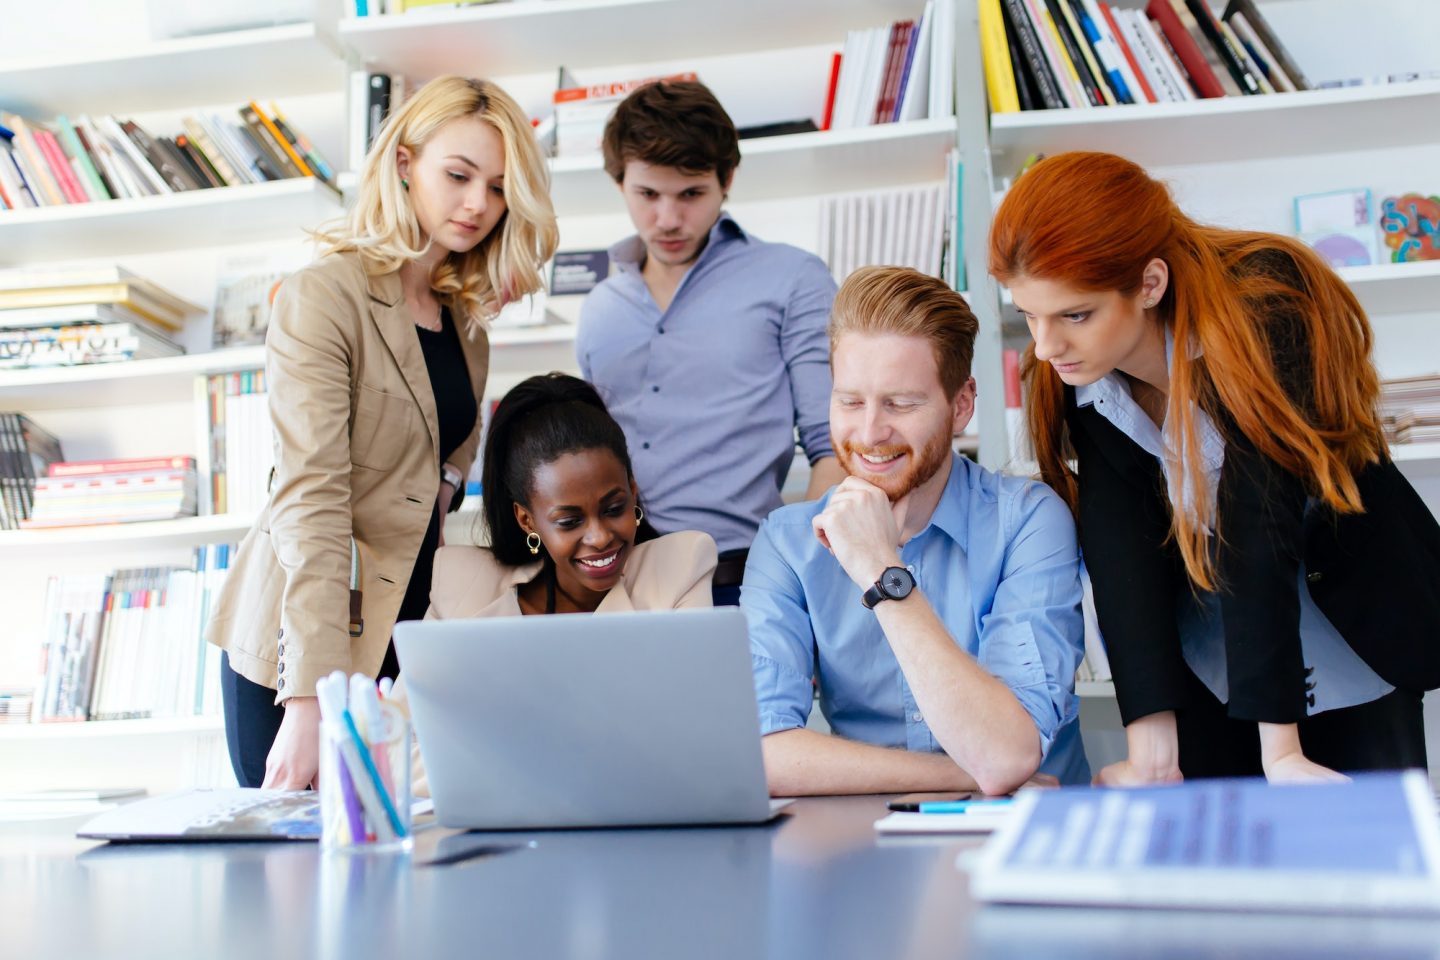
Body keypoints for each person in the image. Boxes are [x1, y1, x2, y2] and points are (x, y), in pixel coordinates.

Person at [989, 151, 1440, 786]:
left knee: (1369, 854)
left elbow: (1258, 516)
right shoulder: (1078, 370)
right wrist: (1151, 750)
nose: (1045, 345)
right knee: (1217, 853)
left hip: (1347, 607)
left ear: (1149, 283)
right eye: (1029, 315)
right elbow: (1123, 550)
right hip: (1212, 642)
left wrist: (1280, 752)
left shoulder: (1270, 300)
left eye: (1075, 314)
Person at [206, 76, 559, 790]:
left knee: (400, 866)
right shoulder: (323, 297)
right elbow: (311, 501)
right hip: (300, 638)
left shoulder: (465, 325)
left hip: (409, 625)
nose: (477, 205)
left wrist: (448, 483)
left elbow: (451, 435)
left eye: (497, 188)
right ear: (404, 163)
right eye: (458, 176)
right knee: (298, 880)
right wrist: (308, 696)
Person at [744, 266, 1089, 797]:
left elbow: (1006, 752)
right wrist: (959, 777)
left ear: (962, 405)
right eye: (850, 401)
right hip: (871, 833)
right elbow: (761, 752)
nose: (869, 433)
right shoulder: (787, 542)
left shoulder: (1028, 520)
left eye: (901, 404)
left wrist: (880, 569)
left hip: (1027, 839)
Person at [577, 78, 846, 607]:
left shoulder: (794, 278)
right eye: (648, 195)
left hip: (746, 578)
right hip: (614, 587)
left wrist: (799, 577)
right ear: (619, 183)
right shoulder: (599, 309)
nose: (669, 219)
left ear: (727, 180)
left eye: (691, 194)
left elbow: (834, 446)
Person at [396, 373, 717, 796]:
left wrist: (501, 759)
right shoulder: (463, 585)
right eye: (569, 521)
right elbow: (393, 750)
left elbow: (697, 742)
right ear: (527, 519)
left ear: (633, 491)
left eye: (615, 508)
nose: (599, 536)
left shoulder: (679, 567)